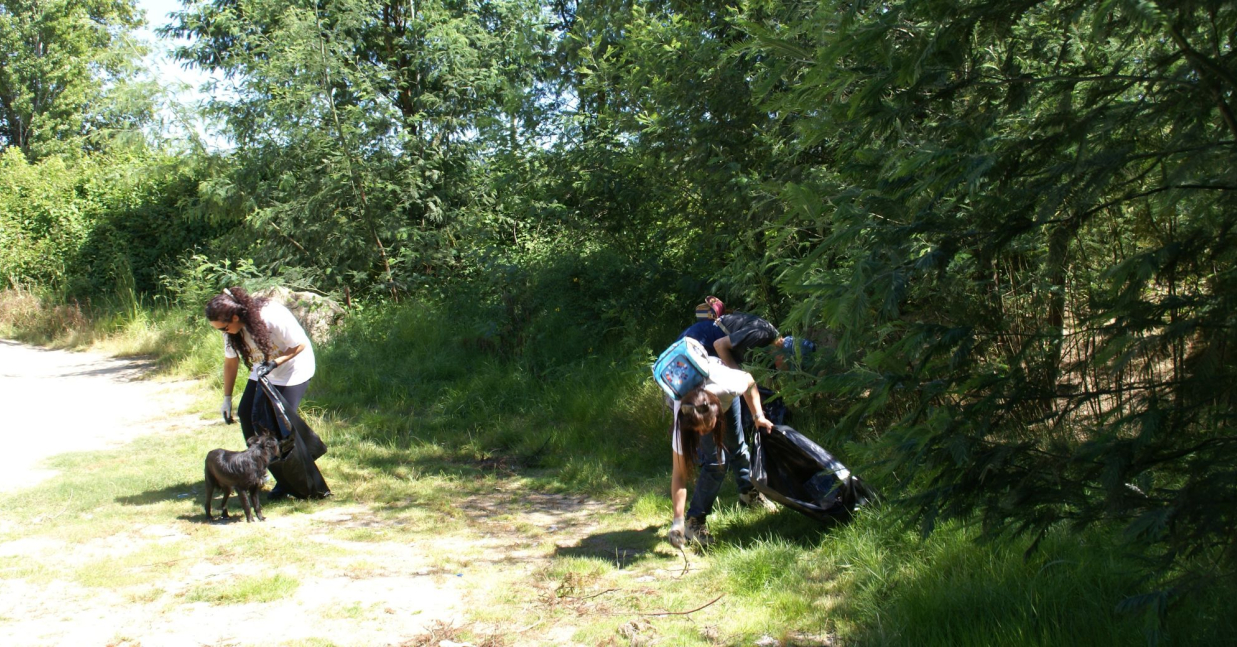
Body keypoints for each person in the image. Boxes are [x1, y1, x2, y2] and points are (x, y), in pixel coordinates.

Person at [206, 286, 316, 499]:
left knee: (279, 425)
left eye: (223, 328)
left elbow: (300, 345)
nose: (222, 332)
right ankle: (259, 471)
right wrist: (227, 399)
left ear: (235, 316)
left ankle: (294, 480)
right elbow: (231, 362)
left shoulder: (271, 316)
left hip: (294, 368)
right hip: (264, 369)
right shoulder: (232, 330)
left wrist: (275, 362)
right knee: (247, 414)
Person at [666, 361, 776, 549]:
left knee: (738, 447)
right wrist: (677, 522)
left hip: (718, 392)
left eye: (706, 429)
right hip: (690, 396)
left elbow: (749, 380)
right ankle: (694, 522)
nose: (702, 434)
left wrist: (758, 416)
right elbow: (679, 474)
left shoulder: (728, 387)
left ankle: (749, 495)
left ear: (717, 416)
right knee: (716, 462)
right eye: (697, 431)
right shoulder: (682, 416)